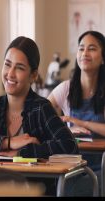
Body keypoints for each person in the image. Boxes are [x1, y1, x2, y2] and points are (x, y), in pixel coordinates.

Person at [0, 36, 78, 195]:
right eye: (7, 65)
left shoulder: (41, 108)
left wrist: (21, 154)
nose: (10, 74)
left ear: (33, 75)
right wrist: (8, 142)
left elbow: (70, 146)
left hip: (33, 191)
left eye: (19, 68)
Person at [48, 31, 105, 196]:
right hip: (71, 166)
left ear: (103, 57)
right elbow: (40, 117)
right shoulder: (66, 88)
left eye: (92, 48)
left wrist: (81, 123)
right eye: (81, 48)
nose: (85, 53)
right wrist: (64, 128)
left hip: (101, 167)